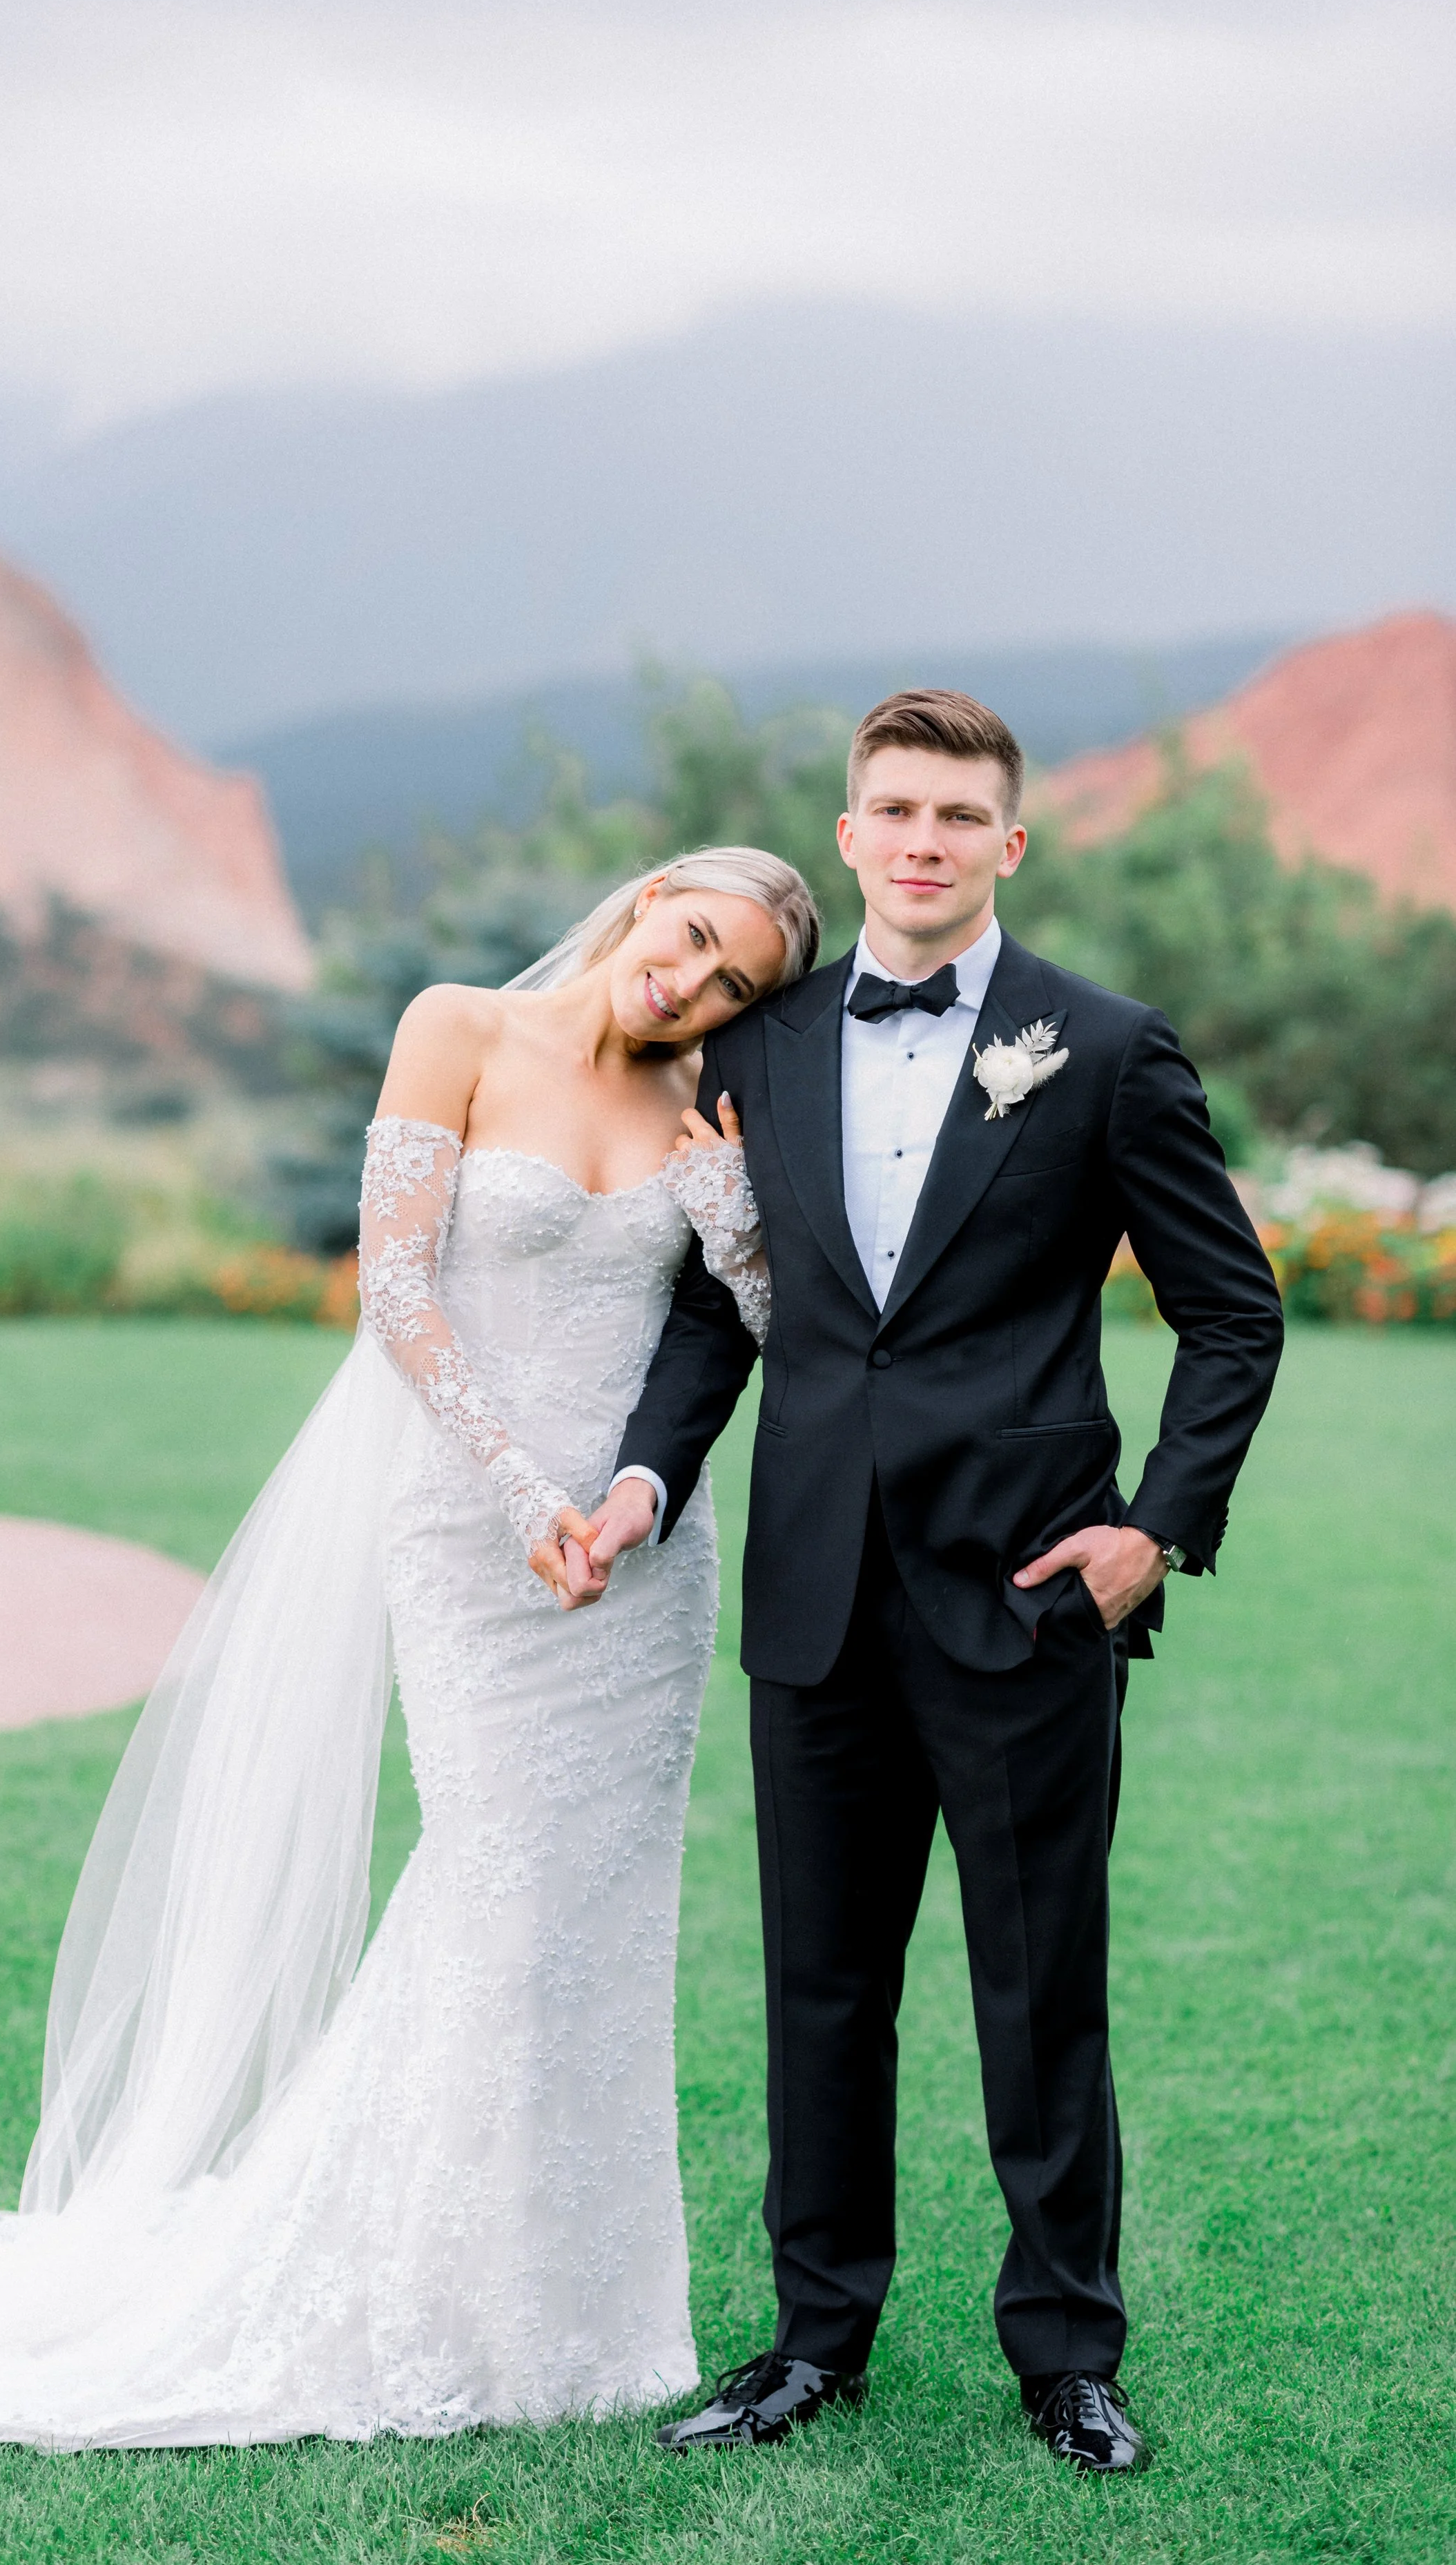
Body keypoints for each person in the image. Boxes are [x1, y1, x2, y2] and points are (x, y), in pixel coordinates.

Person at [0, 844, 818, 2449]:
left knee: (599, 1926)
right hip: (471, 1528)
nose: (695, 987)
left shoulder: (700, 1110)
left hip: (641, 1574)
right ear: (650, 898)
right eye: (697, 943)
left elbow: (767, 1331)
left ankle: (583, 2318)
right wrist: (519, 1490)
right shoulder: (457, 1025)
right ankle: (408, 2288)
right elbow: (392, 1285)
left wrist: (729, 1230)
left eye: (735, 986)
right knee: (494, 1887)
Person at [574, 689, 1285, 2475]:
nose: (920, 839)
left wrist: (1152, 1531)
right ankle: (815, 2341)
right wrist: (650, 1476)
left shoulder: (1106, 1050)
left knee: (1038, 1990)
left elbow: (1230, 1309)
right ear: (847, 832)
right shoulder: (759, 1048)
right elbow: (717, 1311)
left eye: (956, 816)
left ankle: (1066, 2355)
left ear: (1005, 846)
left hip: (1030, 1596)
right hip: (814, 1595)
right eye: (892, 808)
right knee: (821, 1988)